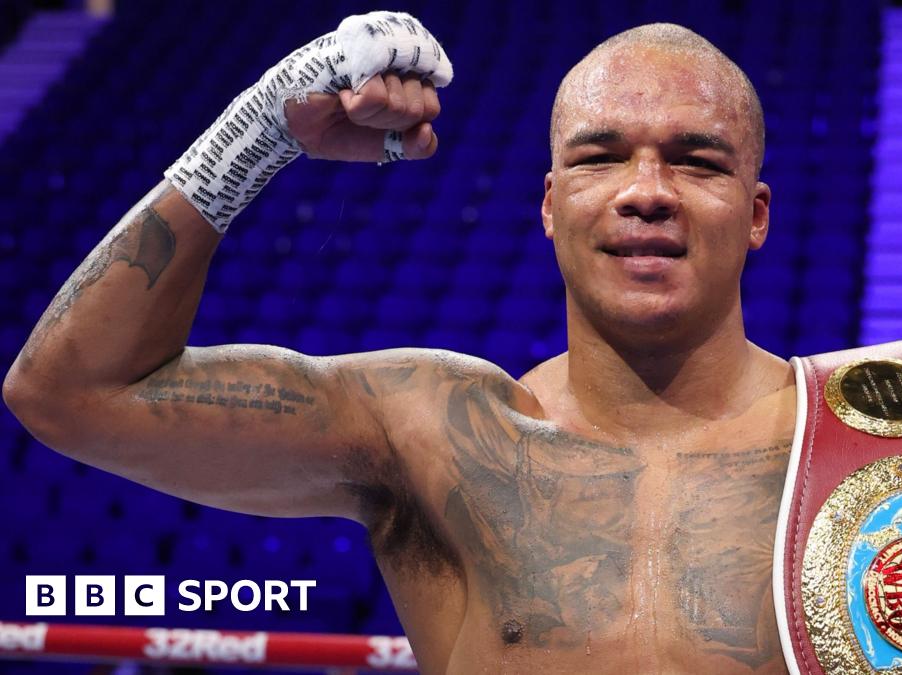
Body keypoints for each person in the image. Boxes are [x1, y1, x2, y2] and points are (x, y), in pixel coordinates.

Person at [3, 11, 792, 673]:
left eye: (695, 162)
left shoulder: (864, 430)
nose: (646, 191)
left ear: (756, 214)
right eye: (600, 157)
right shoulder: (435, 433)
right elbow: (69, 391)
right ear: (551, 205)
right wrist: (259, 129)